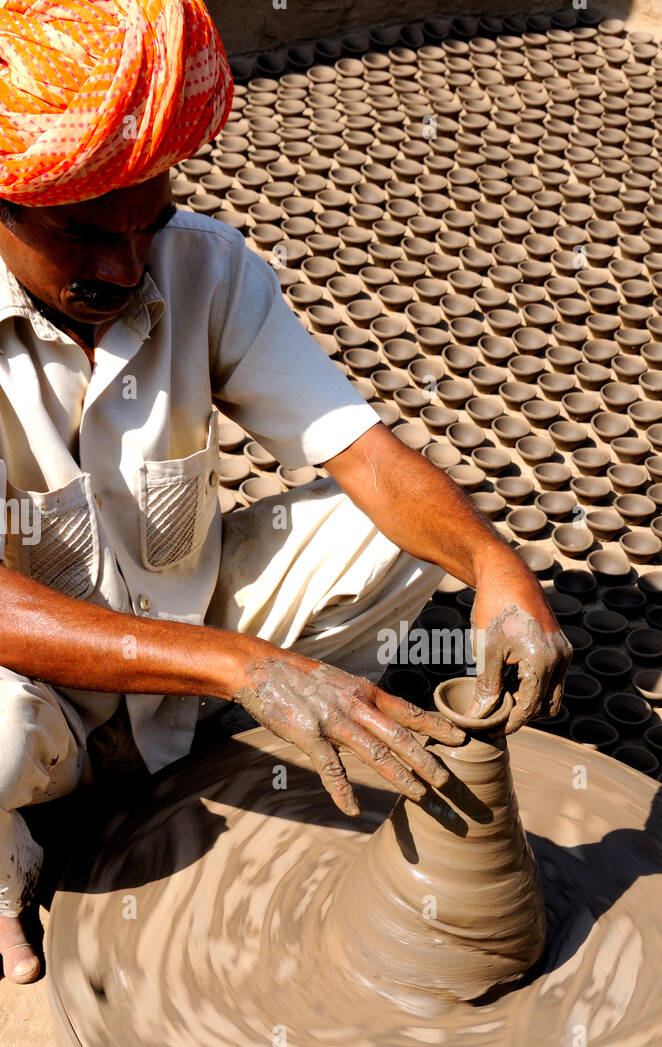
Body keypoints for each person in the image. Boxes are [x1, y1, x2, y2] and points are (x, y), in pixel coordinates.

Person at [0, 0, 571, 984]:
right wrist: (246, 667)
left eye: (150, 222)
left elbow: (364, 457)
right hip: (32, 690)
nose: (126, 268)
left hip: (181, 622)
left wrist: (493, 567)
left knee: (400, 534)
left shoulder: (201, 268)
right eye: (85, 237)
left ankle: (195, 747)